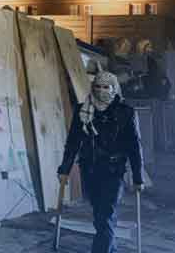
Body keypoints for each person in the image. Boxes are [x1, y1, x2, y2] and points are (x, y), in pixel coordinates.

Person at [58, 68, 144, 253]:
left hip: (113, 170)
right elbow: (73, 142)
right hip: (89, 170)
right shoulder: (83, 111)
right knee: (99, 217)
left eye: (106, 86)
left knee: (106, 215)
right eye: (97, 86)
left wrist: (138, 177)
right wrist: (64, 169)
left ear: (114, 88)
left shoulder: (125, 112)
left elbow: (134, 146)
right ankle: (109, 249)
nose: (101, 90)